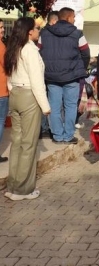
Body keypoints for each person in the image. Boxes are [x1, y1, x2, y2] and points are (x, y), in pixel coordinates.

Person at [4, 17, 51, 201]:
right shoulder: (30, 49)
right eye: (37, 28)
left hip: (15, 94)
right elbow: (37, 81)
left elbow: (9, 75)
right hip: (29, 95)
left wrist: (12, 90)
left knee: (17, 143)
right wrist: (45, 106)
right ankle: (23, 190)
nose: (39, 31)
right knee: (29, 144)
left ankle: (13, 186)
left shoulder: (14, 47)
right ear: (30, 31)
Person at [38, 7, 90, 145]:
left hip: (51, 77)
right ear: (68, 17)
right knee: (71, 107)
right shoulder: (77, 33)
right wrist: (80, 69)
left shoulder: (44, 33)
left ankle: (57, 136)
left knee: (54, 107)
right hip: (72, 77)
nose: (74, 20)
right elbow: (86, 53)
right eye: (73, 17)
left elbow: (38, 51)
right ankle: (68, 136)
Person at [40, 11, 58, 139]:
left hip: (46, 73)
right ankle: (47, 128)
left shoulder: (43, 34)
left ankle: (45, 128)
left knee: (47, 101)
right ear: (53, 21)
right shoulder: (46, 34)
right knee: (50, 102)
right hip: (48, 74)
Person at [0, 20, 7, 162]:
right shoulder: (1, 46)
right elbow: (7, 65)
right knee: (0, 121)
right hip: (1, 90)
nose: (2, 30)